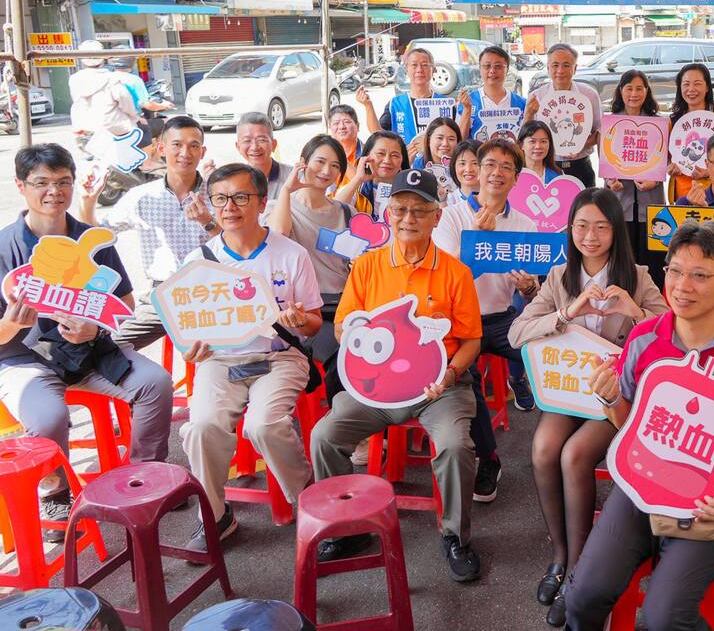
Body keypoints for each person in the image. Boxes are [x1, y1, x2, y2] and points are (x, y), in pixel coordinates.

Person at [566, 221, 714, 630]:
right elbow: (629, 424)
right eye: (674, 271)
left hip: (711, 502)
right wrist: (612, 398)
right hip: (639, 489)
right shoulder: (645, 338)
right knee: (582, 597)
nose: (682, 285)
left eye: (700, 275)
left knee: (664, 618)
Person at [308, 169, 485, 582]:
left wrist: (452, 372)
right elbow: (342, 326)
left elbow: (472, 341)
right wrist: (357, 334)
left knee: (456, 445)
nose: (409, 218)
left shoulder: (455, 273)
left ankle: (456, 535)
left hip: (440, 388)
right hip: (377, 387)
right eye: (401, 209)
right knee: (323, 436)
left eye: (420, 210)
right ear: (388, 213)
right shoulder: (368, 266)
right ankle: (346, 528)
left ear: (436, 217)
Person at [509, 189, 669, 626]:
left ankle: (579, 571)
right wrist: (566, 314)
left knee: (574, 455)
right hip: (568, 391)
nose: (590, 235)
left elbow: (671, 340)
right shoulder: (560, 277)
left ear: (616, 230)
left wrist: (635, 311)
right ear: (570, 229)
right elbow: (516, 334)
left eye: (601, 225)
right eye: (581, 225)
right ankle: (559, 556)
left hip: (614, 396)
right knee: (543, 449)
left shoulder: (637, 276)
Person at [0, 144, 173, 541]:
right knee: (47, 419)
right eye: (41, 183)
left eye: (63, 182)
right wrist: (11, 326)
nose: (53, 192)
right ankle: (55, 490)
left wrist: (94, 329)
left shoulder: (93, 241)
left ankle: (144, 475)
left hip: (92, 352)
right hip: (24, 360)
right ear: (21, 186)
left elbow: (125, 302)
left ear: (73, 185)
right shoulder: (4, 246)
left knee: (155, 383)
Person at [178, 163, 323, 554]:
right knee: (201, 427)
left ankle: (308, 501)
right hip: (218, 362)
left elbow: (312, 325)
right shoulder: (198, 262)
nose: (230, 207)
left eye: (241, 197)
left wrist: (298, 319)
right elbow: (186, 329)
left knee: (263, 425)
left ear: (261, 202)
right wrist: (189, 349)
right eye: (221, 198)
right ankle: (215, 515)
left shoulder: (291, 255)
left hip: (279, 358)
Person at [433, 139, 540, 500]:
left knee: (545, 351)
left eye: (506, 168)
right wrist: (479, 238)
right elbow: (450, 281)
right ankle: (489, 457)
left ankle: (560, 449)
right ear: (476, 171)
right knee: (466, 374)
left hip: (501, 318)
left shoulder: (524, 223)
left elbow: (533, 290)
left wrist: (529, 289)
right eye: (490, 164)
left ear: (516, 179)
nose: (497, 173)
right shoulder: (450, 216)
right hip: (459, 324)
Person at [79, 115, 217, 351]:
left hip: (212, 295)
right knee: (105, 346)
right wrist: (88, 202)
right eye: (177, 144)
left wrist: (208, 222)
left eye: (194, 145)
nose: (185, 152)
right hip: (160, 296)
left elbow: (242, 245)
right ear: (161, 148)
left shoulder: (218, 194)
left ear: (202, 152)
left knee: (227, 356)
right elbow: (97, 235)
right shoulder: (141, 196)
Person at [267, 133, 351, 369]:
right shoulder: (280, 206)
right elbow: (279, 235)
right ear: (303, 162)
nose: (327, 170)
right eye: (320, 161)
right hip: (305, 309)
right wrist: (285, 190)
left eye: (335, 166)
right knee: (341, 354)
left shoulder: (346, 212)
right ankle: (340, 406)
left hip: (344, 303)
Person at [604, 69, 666, 289]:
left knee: (654, 264)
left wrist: (656, 180)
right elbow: (607, 163)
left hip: (652, 204)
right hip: (621, 203)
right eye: (629, 88)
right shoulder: (610, 123)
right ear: (620, 91)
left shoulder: (659, 124)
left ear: (647, 91)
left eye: (639, 88)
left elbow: (665, 162)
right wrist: (611, 182)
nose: (634, 93)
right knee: (623, 262)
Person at [525, 43, 602, 186]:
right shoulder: (536, 96)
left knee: (584, 206)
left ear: (575, 68)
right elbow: (525, 136)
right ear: (548, 68)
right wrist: (529, 114)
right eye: (555, 65)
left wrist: (580, 145)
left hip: (581, 165)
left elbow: (599, 131)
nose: (560, 70)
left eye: (566, 65)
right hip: (547, 166)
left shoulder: (589, 95)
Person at [666, 63, 714, 203]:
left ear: (707, 87)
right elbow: (666, 157)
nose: (691, 89)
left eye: (697, 84)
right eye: (686, 84)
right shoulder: (673, 120)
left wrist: (710, 172)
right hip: (681, 195)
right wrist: (670, 167)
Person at [373, 47, 453, 154]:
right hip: (406, 167)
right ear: (406, 69)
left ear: (434, 70)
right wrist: (368, 106)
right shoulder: (395, 104)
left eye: (425, 65)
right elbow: (378, 134)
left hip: (439, 167)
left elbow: (458, 137)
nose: (419, 70)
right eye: (414, 65)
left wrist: (466, 109)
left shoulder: (446, 104)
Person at [456, 46, 526, 143]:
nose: (492, 71)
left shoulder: (522, 104)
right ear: (480, 69)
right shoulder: (468, 102)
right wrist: (467, 110)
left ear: (507, 69)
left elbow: (527, 140)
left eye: (498, 66)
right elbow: (459, 141)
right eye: (487, 66)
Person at [334, 130, 410, 219]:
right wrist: (358, 179)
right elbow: (334, 211)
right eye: (380, 154)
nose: (387, 160)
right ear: (367, 156)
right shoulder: (357, 189)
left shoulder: (412, 190)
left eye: (395, 155)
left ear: (402, 161)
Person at [231, 112, 293, 203]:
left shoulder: (292, 177)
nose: (254, 147)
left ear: (273, 144)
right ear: (238, 147)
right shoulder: (233, 181)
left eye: (261, 140)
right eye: (247, 140)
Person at [327, 104, 366, 189]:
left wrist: (342, 158)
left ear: (358, 126)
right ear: (330, 128)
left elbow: (364, 187)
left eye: (347, 122)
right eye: (336, 123)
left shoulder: (368, 154)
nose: (341, 127)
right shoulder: (324, 152)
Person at [447, 140, 482, 207]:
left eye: (475, 163)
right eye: (462, 163)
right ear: (453, 166)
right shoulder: (447, 201)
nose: (468, 169)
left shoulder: (497, 199)